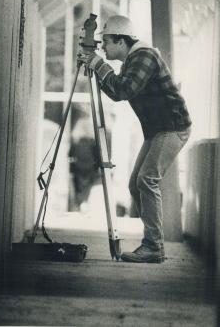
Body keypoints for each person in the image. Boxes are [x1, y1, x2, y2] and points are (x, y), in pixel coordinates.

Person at [79, 15, 191, 263]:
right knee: (135, 185)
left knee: (147, 179)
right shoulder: (132, 60)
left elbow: (123, 90)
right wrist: (96, 68)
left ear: (121, 41)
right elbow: (116, 90)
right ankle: (154, 243)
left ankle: (153, 246)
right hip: (158, 130)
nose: (103, 47)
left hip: (172, 127)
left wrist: (98, 64)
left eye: (106, 41)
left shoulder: (145, 56)